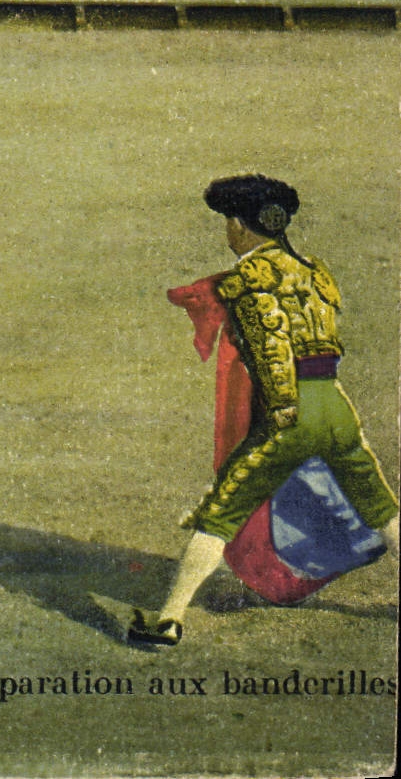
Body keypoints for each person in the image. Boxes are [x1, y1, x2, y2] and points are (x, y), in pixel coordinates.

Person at [129, 175, 401, 649]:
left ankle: (168, 621)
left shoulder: (245, 283)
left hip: (290, 409)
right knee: (380, 505)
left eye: (228, 224)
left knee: (220, 512)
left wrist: (275, 423)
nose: (227, 234)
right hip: (335, 405)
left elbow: (272, 353)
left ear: (239, 226)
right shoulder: (316, 272)